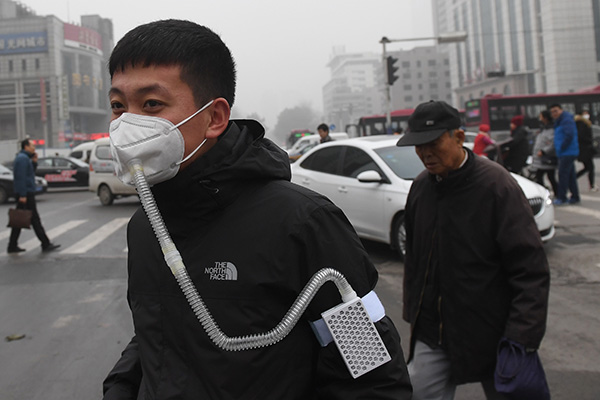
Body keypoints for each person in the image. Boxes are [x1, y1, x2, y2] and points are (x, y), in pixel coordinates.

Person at [101, 20, 412, 400]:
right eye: (119, 106)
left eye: (151, 104)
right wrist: (120, 387)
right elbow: (161, 332)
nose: (126, 125)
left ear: (215, 117)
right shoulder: (146, 226)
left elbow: (370, 372)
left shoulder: (303, 224)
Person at [397, 100, 550, 400]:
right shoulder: (421, 188)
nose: (425, 153)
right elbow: (415, 260)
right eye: (418, 145)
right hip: (435, 332)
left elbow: (530, 270)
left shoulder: (497, 187)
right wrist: (415, 311)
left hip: (496, 334)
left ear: (459, 136)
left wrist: (522, 335)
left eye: (433, 143)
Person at [7, 139, 60, 254]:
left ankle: (12, 245)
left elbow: (29, 174)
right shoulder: (22, 159)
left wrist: (34, 162)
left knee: (19, 219)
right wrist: (22, 195)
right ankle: (45, 243)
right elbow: (21, 178)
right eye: (32, 145)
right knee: (33, 219)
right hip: (26, 193)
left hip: (26, 192)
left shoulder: (25, 158)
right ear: (25, 146)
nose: (34, 148)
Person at [550, 103, 581, 205]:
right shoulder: (559, 121)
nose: (554, 113)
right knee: (571, 175)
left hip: (567, 152)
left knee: (562, 175)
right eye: (552, 112)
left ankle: (562, 197)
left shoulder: (566, 120)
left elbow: (569, 135)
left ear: (561, 110)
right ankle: (575, 196)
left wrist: (562, 146)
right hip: (565, 152)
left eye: (556, 111)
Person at [531, 110, 558, 195]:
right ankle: (554, 193)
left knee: (546, 176)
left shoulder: (551, 129)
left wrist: (544, 151)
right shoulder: (543, 128)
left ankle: (548, 193)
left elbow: (552, 143)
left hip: (547, 158)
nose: (540, 118)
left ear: (545, 118)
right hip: (541, 159)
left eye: (541, 116)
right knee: (546, 177)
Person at [575, 110, 598, 192]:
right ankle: (591, 185)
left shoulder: (580, 123)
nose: (587, 115)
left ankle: (573, 178)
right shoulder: (582, 124)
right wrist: (589, 141)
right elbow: (581, 136)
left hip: (584, 149)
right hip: (585, 150)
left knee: (587, 168)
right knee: (590, 168)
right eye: (585, 113)